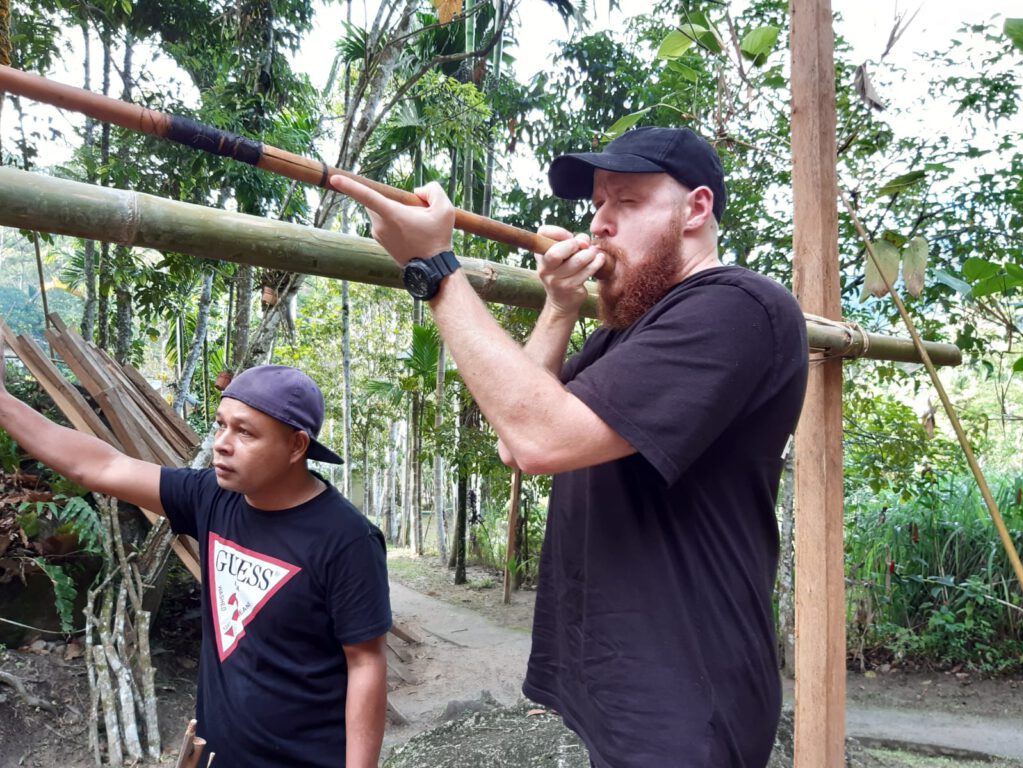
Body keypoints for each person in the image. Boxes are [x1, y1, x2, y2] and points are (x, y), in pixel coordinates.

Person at [330, 125, 808, 767]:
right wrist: (559, 306)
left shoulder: (737, 307)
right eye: (598, 204)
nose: (600, 222)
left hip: (689, 698)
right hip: (624, 682)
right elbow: (516, 437)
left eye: (627, 201)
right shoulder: (627, 332)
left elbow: (539, 439)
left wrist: (437, 269)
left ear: (696, 209)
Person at [0, 364, 391, 768]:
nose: (222, 443)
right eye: (221, 425)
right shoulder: (213, 498)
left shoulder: (346, 540)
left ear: (296, 446)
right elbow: (102, 466)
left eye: (245, 432)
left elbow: (366, 663)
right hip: (215, 756)